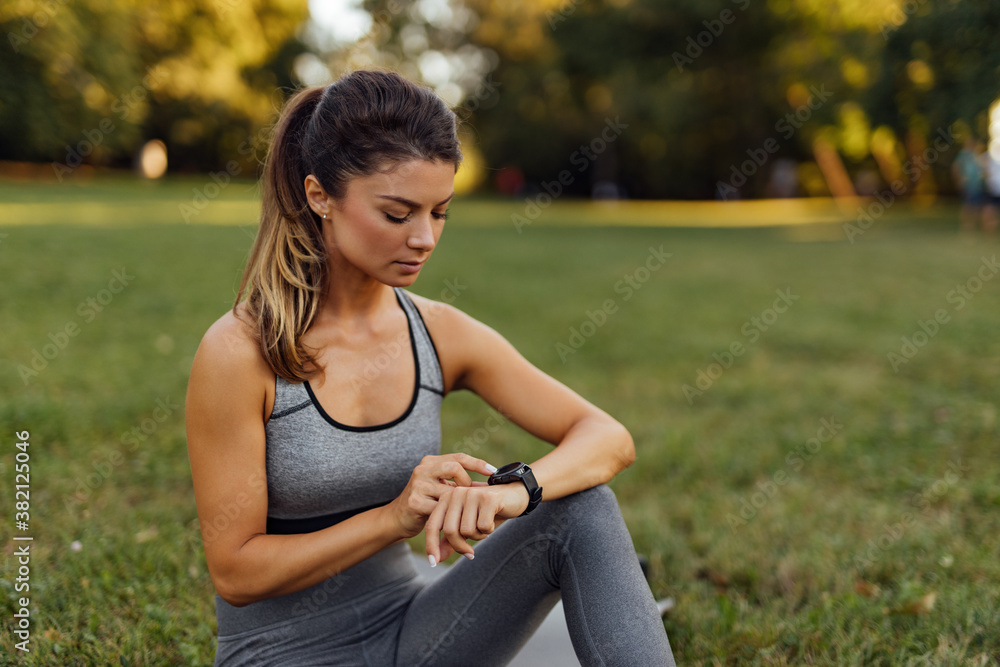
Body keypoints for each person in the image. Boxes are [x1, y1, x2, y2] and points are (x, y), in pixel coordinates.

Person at [185, 69, 675, 666]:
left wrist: (513, 494)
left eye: (439, 212)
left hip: (419, 635)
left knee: (581, 509)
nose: (424, 238)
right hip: (285, 653)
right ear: (320, 197)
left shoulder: (438, 332)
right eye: (397, 214)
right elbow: (235, 572)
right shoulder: (240, 351)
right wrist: (393, 519)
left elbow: (609, 438)